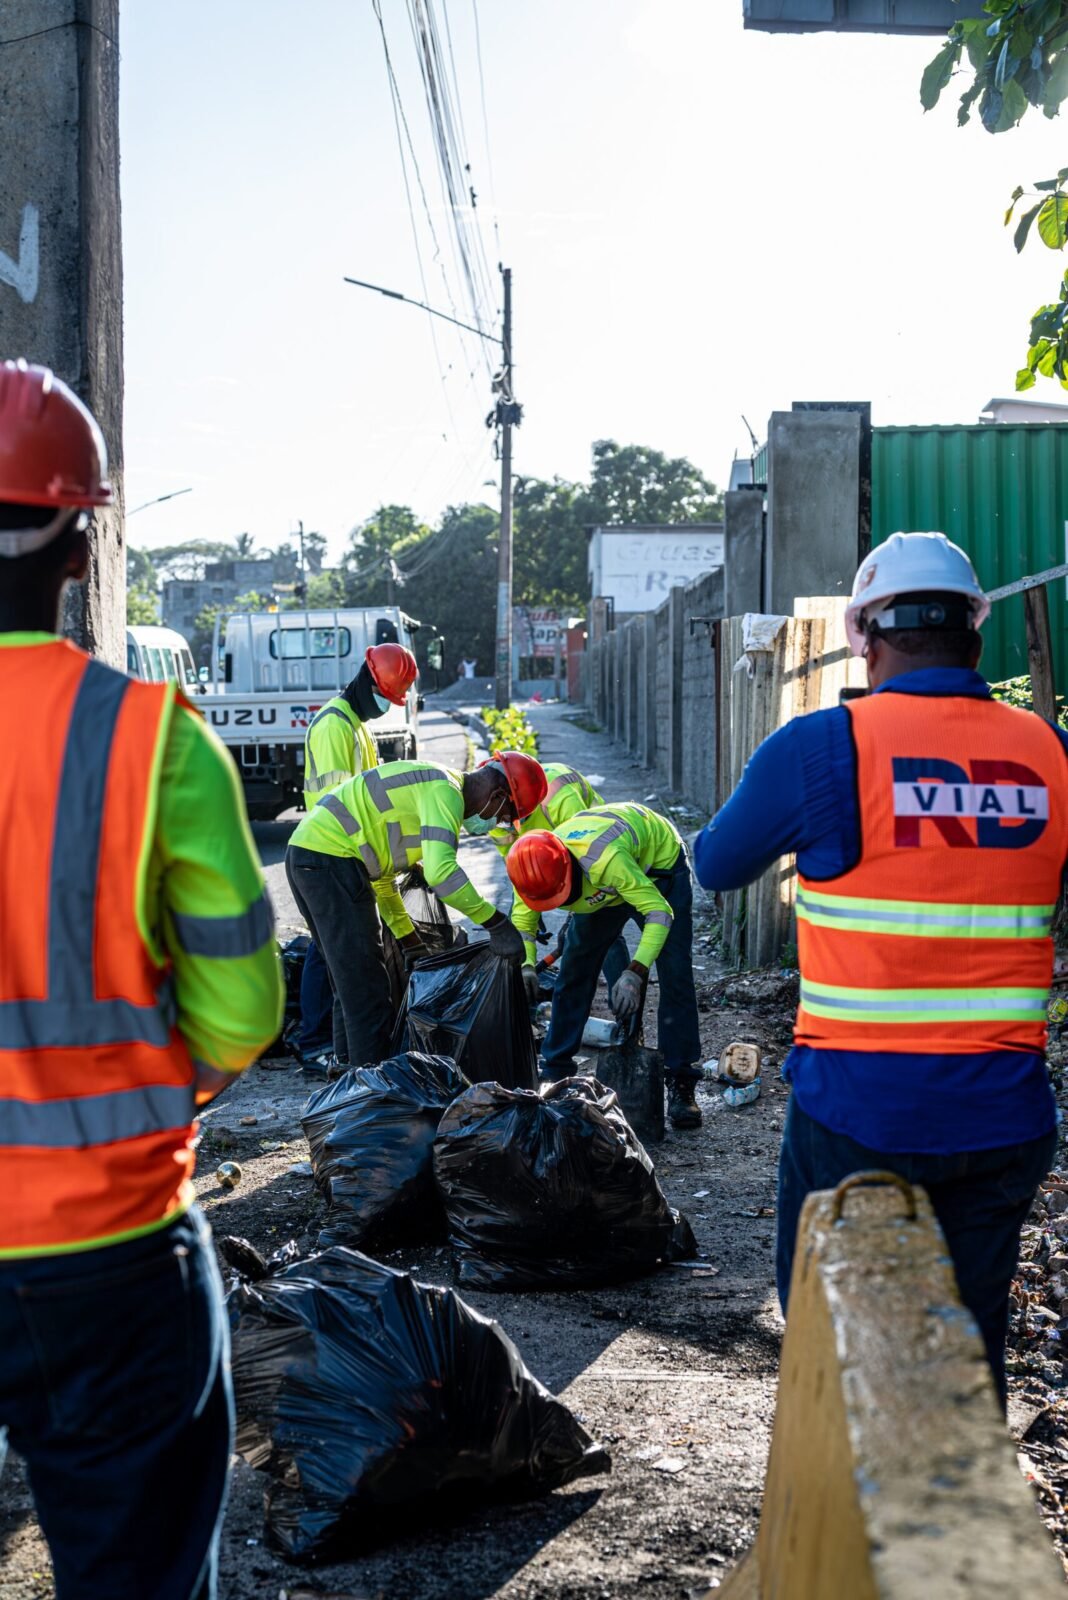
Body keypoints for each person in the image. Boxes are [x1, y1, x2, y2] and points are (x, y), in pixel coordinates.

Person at [0, 360, 284, 1598]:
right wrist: (168, 1088)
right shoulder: (153, 738)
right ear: (80, 547)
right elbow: (243, 1009)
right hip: (111, 1250)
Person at [693, 531, 1067, 1408]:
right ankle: (957, 1522)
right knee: (968, 1367)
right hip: (1002, 1116)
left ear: (867, 636)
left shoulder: (822, 748)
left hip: (860, 1115)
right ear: (974, 634)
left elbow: (715, 865)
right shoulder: (1050, 754)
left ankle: (853, 1527)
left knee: (836, 1351)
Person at [285, 751, 547, 1068]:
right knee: (367, 990)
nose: (499, 823)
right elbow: (442, 873)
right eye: (506, 815)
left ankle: (348, 1079)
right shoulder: (444, 791)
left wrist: (411, 942)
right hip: (329, 860)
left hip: (312, 856)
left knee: (351, 983)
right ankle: (376, 1091)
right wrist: (495, 922)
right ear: (497, 795)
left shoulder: (434, 786)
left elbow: (383, 880)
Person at [506, 803, 703, 1128]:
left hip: (659, 870)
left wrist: (635, 971)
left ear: (566, 873)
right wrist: (527, 964)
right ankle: (555, 1073)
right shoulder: (528, 868)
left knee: (675, 974)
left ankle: (681, 1081)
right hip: (602, 887)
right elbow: (523, 924)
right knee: (575, 969)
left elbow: (659, 912)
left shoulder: (604, 861)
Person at [296, 643, 418, 1070]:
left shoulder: (356, 725)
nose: (387, 706)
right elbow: (340, 803)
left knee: (334, 954)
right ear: (368, 681)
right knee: (329, 953)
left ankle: (329, 1047)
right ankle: (313, 1043)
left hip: (345, 852)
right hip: (331, 851)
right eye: (387, 695)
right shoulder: (335, 726)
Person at [487, 757, 631, 1006]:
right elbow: (514, 864)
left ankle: (623, 1009)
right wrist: (534, 896)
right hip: (540, 855)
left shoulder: (559, 797)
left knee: (598, 926)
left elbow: (583, 859)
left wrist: (574, 914)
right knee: (518, 923)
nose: (498, 819)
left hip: (593, 855)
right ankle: (519, 991)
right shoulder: (493, 813)